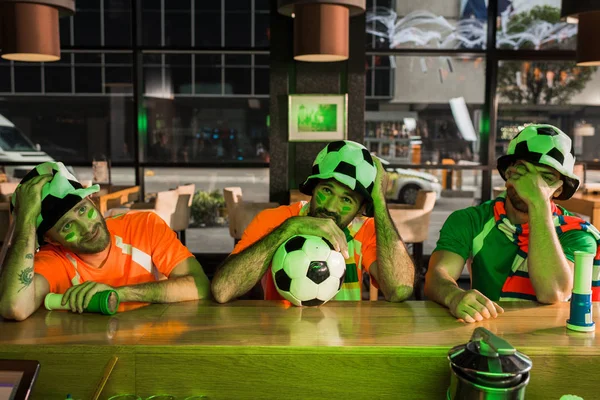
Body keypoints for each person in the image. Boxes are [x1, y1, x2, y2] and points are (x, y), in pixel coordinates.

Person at [425, 124, 600, 323]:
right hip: (489, 332)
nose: (532, 185)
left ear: (558, 190)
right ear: (508, 174)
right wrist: (454, 296)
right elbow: (437, 276)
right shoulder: (470, 220)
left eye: (545, 178)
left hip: (551, 340)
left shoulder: (577, 234)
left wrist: (538, 202)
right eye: (523, 172)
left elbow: (554, 292)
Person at [0, 162, 210, 321]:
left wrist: (118, 294)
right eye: (67, 226)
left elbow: (200, 286)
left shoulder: (144, 226)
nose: (86, 227)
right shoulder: (52, 260)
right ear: (50, 240)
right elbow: (14, 306)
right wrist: (25, 219)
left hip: (156, 345)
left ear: (91, 200)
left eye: (83, 210)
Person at [211, 140, 415, 303]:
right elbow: (223, 289)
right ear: (314, 188)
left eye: (346, 199)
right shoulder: (274, 220)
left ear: (360, 208)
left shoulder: (365, 231)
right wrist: (291, 228)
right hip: (279, 340)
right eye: (326, 190)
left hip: (343, 343)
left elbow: (399, 290)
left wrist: (379, 200)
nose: (332, 207)